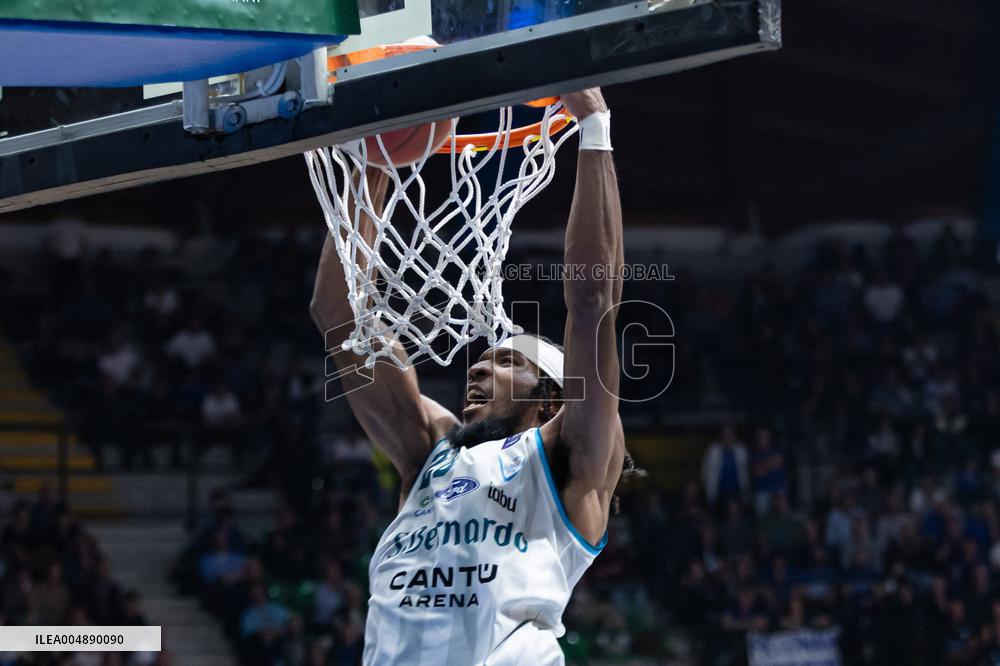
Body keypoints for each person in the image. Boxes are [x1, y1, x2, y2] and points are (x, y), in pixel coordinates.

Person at [310, 88, 635, 664]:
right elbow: (338, 317)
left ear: (552, 397)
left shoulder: (570, 460)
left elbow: (593, 301)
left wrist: (593, 125)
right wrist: (377, 168)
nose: (481, 364)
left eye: (509, 361)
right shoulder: (429, 453)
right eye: (486, 358)